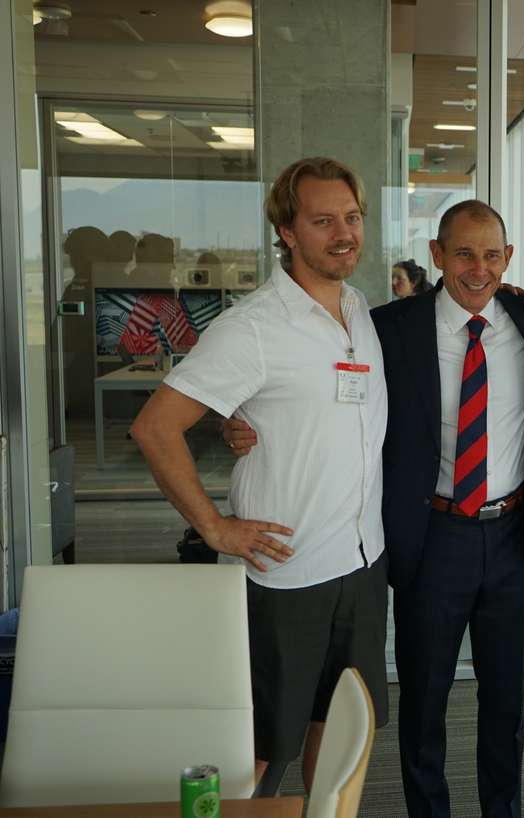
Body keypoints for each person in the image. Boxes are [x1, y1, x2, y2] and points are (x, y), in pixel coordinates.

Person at [130, 156, 390, 797]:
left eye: (351, 217)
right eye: (322, 220)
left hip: (361, 560)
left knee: (339, 724)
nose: (343, 233)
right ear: (287, 231)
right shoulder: (254, 327)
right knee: (263, 747)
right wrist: (214, 527)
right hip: (285, 573)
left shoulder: (357, 308)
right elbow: (155, 427)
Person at [374, 200, 524, 818]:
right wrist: (245, 422)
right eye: (463, 253)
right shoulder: (392, 327)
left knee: (506, 699)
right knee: (424, 699)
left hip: (510, 536)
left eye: (491, 255)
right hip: (432, 536)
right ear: (437, 255)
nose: (477, 269)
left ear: (508, 259)